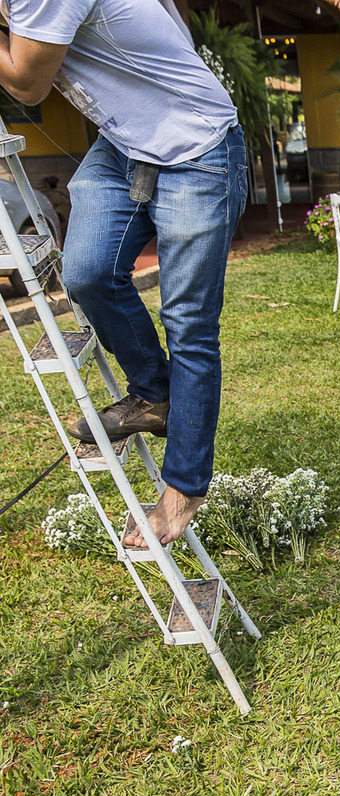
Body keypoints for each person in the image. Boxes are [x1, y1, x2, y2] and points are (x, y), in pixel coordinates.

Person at [0, 0, 247, 547]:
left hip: (198, 150)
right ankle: (155, 396)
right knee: (87, 274)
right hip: (125, 147)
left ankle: (184, 490)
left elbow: (26, 83)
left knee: (189, 326)